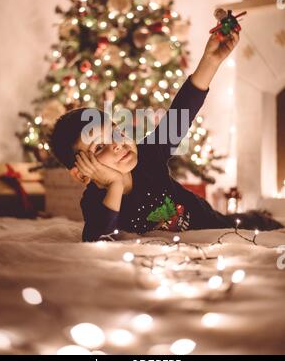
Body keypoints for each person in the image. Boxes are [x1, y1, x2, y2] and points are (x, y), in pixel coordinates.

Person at [50, 30, 282, 241]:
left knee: (261, 226)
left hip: (215, 225)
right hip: (183, 252)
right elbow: (97, 240)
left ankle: (260, 217)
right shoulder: (93, 201)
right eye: (99, 147)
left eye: (116, 132)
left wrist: (211, 60)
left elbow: (182, 112)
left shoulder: (149, 154)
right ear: (81, 175)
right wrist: (115, 185)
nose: (118, 144)